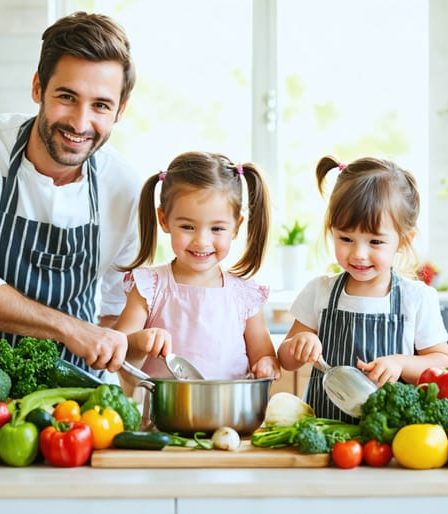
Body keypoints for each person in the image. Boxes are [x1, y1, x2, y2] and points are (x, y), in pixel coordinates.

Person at [0, 12, 142, 376]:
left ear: (120, 110)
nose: (80, 123)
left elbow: (114, 311)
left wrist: (128, 347)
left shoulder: (123, 188)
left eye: (100, 105)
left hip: (75, 403)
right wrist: (69, 329)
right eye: (67, 96)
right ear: (37, 88)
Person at [278, 156, 448, 421]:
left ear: (404, 240)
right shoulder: (320, 291)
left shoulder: (416, 298)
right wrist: (298, 345)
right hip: (326, 432)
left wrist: (400, 363)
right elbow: (286, 360)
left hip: (391, 442)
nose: (358, 254)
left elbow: (440, 361)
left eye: (376, 242)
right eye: (345, 238)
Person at [115, 151, 281, 384]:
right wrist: (140, 342)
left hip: (231, 417)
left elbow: (264, 356)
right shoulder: (148, 288)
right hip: (163, 418)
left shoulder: (244, 294)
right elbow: (120, 359)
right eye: (187, 227)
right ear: (163, 220)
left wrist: (266, 365)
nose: (202, 241)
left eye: (217, 229)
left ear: (236, 227)